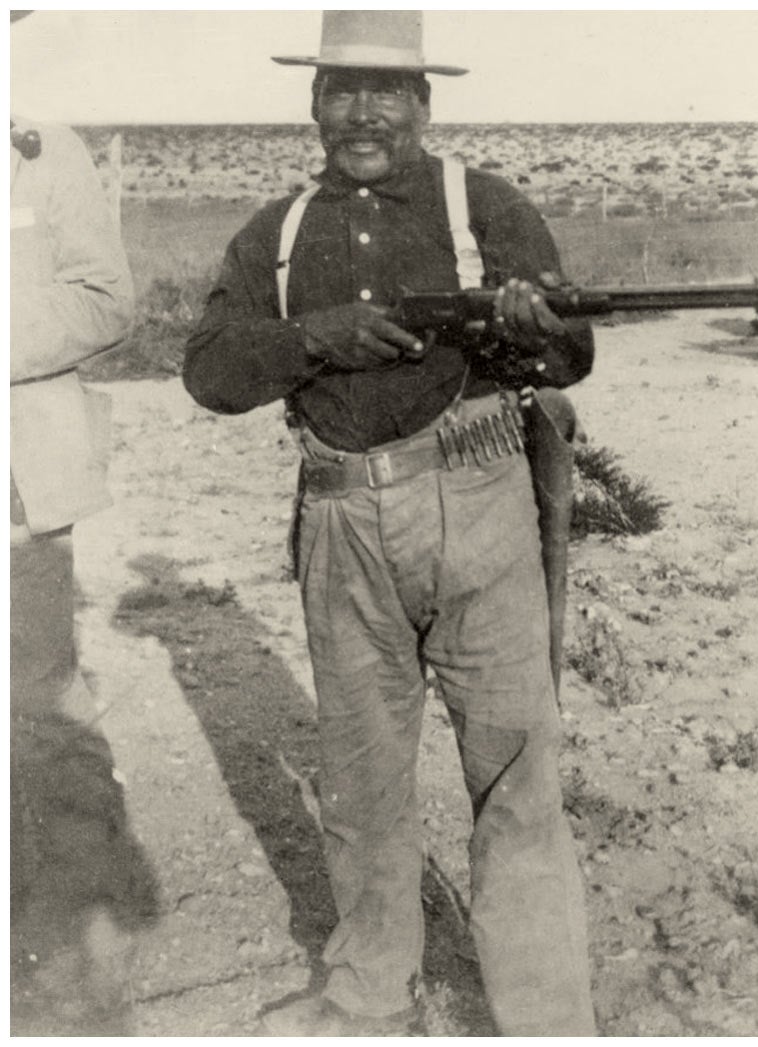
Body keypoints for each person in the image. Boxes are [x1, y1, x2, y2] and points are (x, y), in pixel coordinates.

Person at [182, 12, 594, 1035]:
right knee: (364, 786)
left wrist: (532, 336)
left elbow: (573, 349)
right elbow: (211, 370)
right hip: (337, 520)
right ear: (313, 105)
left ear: (423, 104)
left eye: (386, 93)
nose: (363, 113)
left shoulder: (483, 205)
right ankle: (369, 996)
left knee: (515, 777)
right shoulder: (274, 232)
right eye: (342, 92)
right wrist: (311, 340)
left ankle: (543, 1017)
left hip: (481, 502)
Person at [11, 40, 161, 1031]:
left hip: (15, 482)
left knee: (39, 711)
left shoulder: (38, 151)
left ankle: (67, 975)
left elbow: (107, 301)